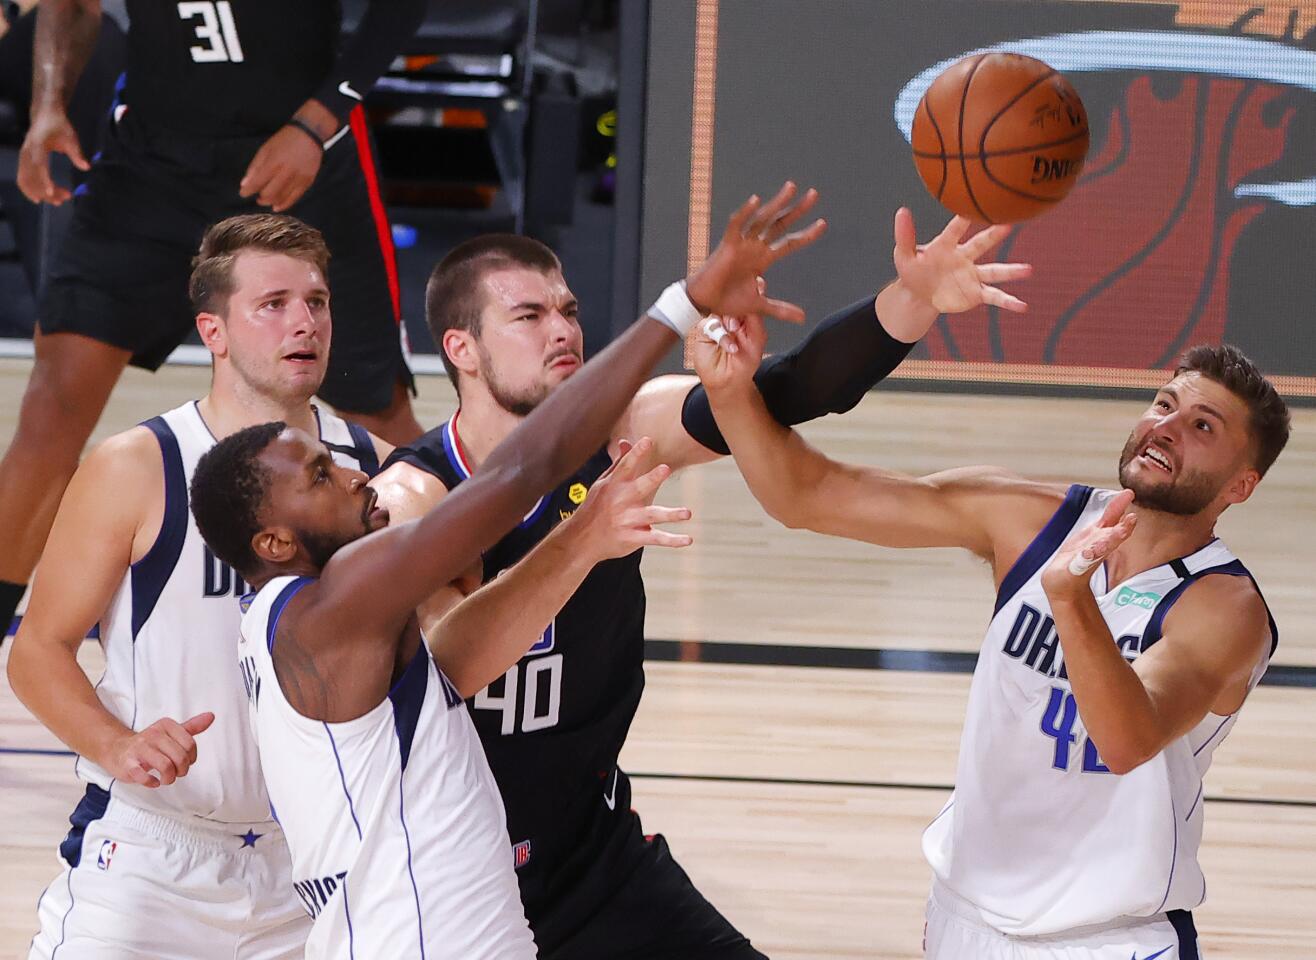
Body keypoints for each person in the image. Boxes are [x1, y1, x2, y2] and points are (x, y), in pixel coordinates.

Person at [364, 186, 1011, 959]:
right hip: (445, 876)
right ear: (461, 348)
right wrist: (580, 542)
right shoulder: (412, 497)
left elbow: (791, 389)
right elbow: (445, 668)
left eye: (567, 310)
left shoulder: (618, 431)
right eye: (528, 317)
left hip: (591, 860)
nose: (563, 331)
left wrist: (908, 301)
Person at [187, 184, 823, 959]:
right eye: (322, 479)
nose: (357, 476)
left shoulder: (290, 615)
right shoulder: (343, 604)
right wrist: (679, 306)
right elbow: (517, 478)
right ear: (276, 541)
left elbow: (466, 633)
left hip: (493, 910)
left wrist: (582, 535)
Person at [690, 209, 1288, 960]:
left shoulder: (1224, 606)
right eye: (1165, 403)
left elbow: (1128, 737)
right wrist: (730, 390)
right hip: (965, 917)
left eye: (1204, 426)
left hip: (1108, 940)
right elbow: (806, 495)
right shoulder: (1030, 517)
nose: (1168, 426)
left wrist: (1070, 597)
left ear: (1241, 485)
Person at [7, 213, 391, 959]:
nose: (303, 322)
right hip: (154, 856)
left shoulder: (365, 461)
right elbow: (37, 652)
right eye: (272, 304)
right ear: (213, 332)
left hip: (314, 860)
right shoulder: (139, 464)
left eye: (316, 301)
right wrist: (118, 745)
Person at [0, 0, 426, 642]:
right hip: (149, 165)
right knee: (54, 404)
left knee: (376, 417)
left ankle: (448, 621)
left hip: (294, 158)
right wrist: (49, 107)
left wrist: (316, 123)